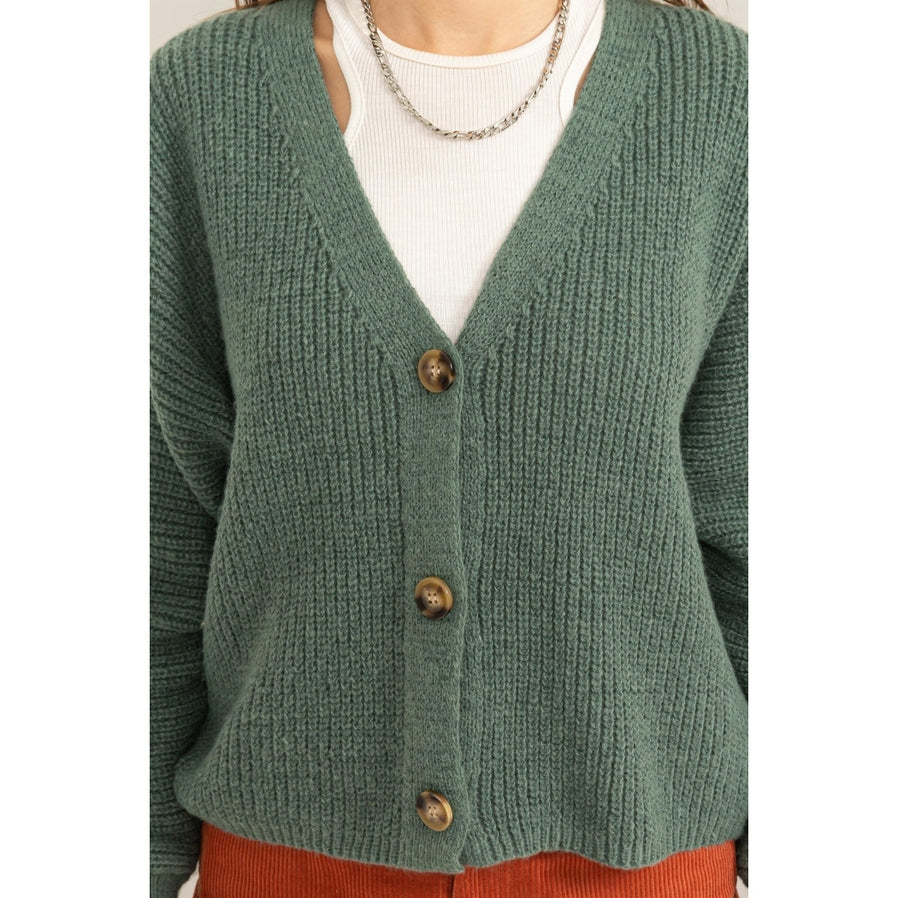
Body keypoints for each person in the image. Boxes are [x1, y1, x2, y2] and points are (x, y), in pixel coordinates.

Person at [149, 0, 748, 896]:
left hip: (637, 853)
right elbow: (155, 544)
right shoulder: (205, 99)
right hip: (287, 855)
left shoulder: (723, 101)